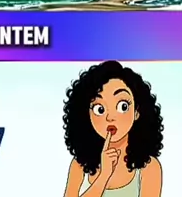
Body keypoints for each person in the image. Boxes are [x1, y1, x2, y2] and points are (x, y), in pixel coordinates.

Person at [63, 61, 163, 197]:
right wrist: (104, 176)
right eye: (100, 109)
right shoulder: (79, 165)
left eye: (123, 106)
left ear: (137, 112)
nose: (110, 118)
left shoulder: (149, 167)